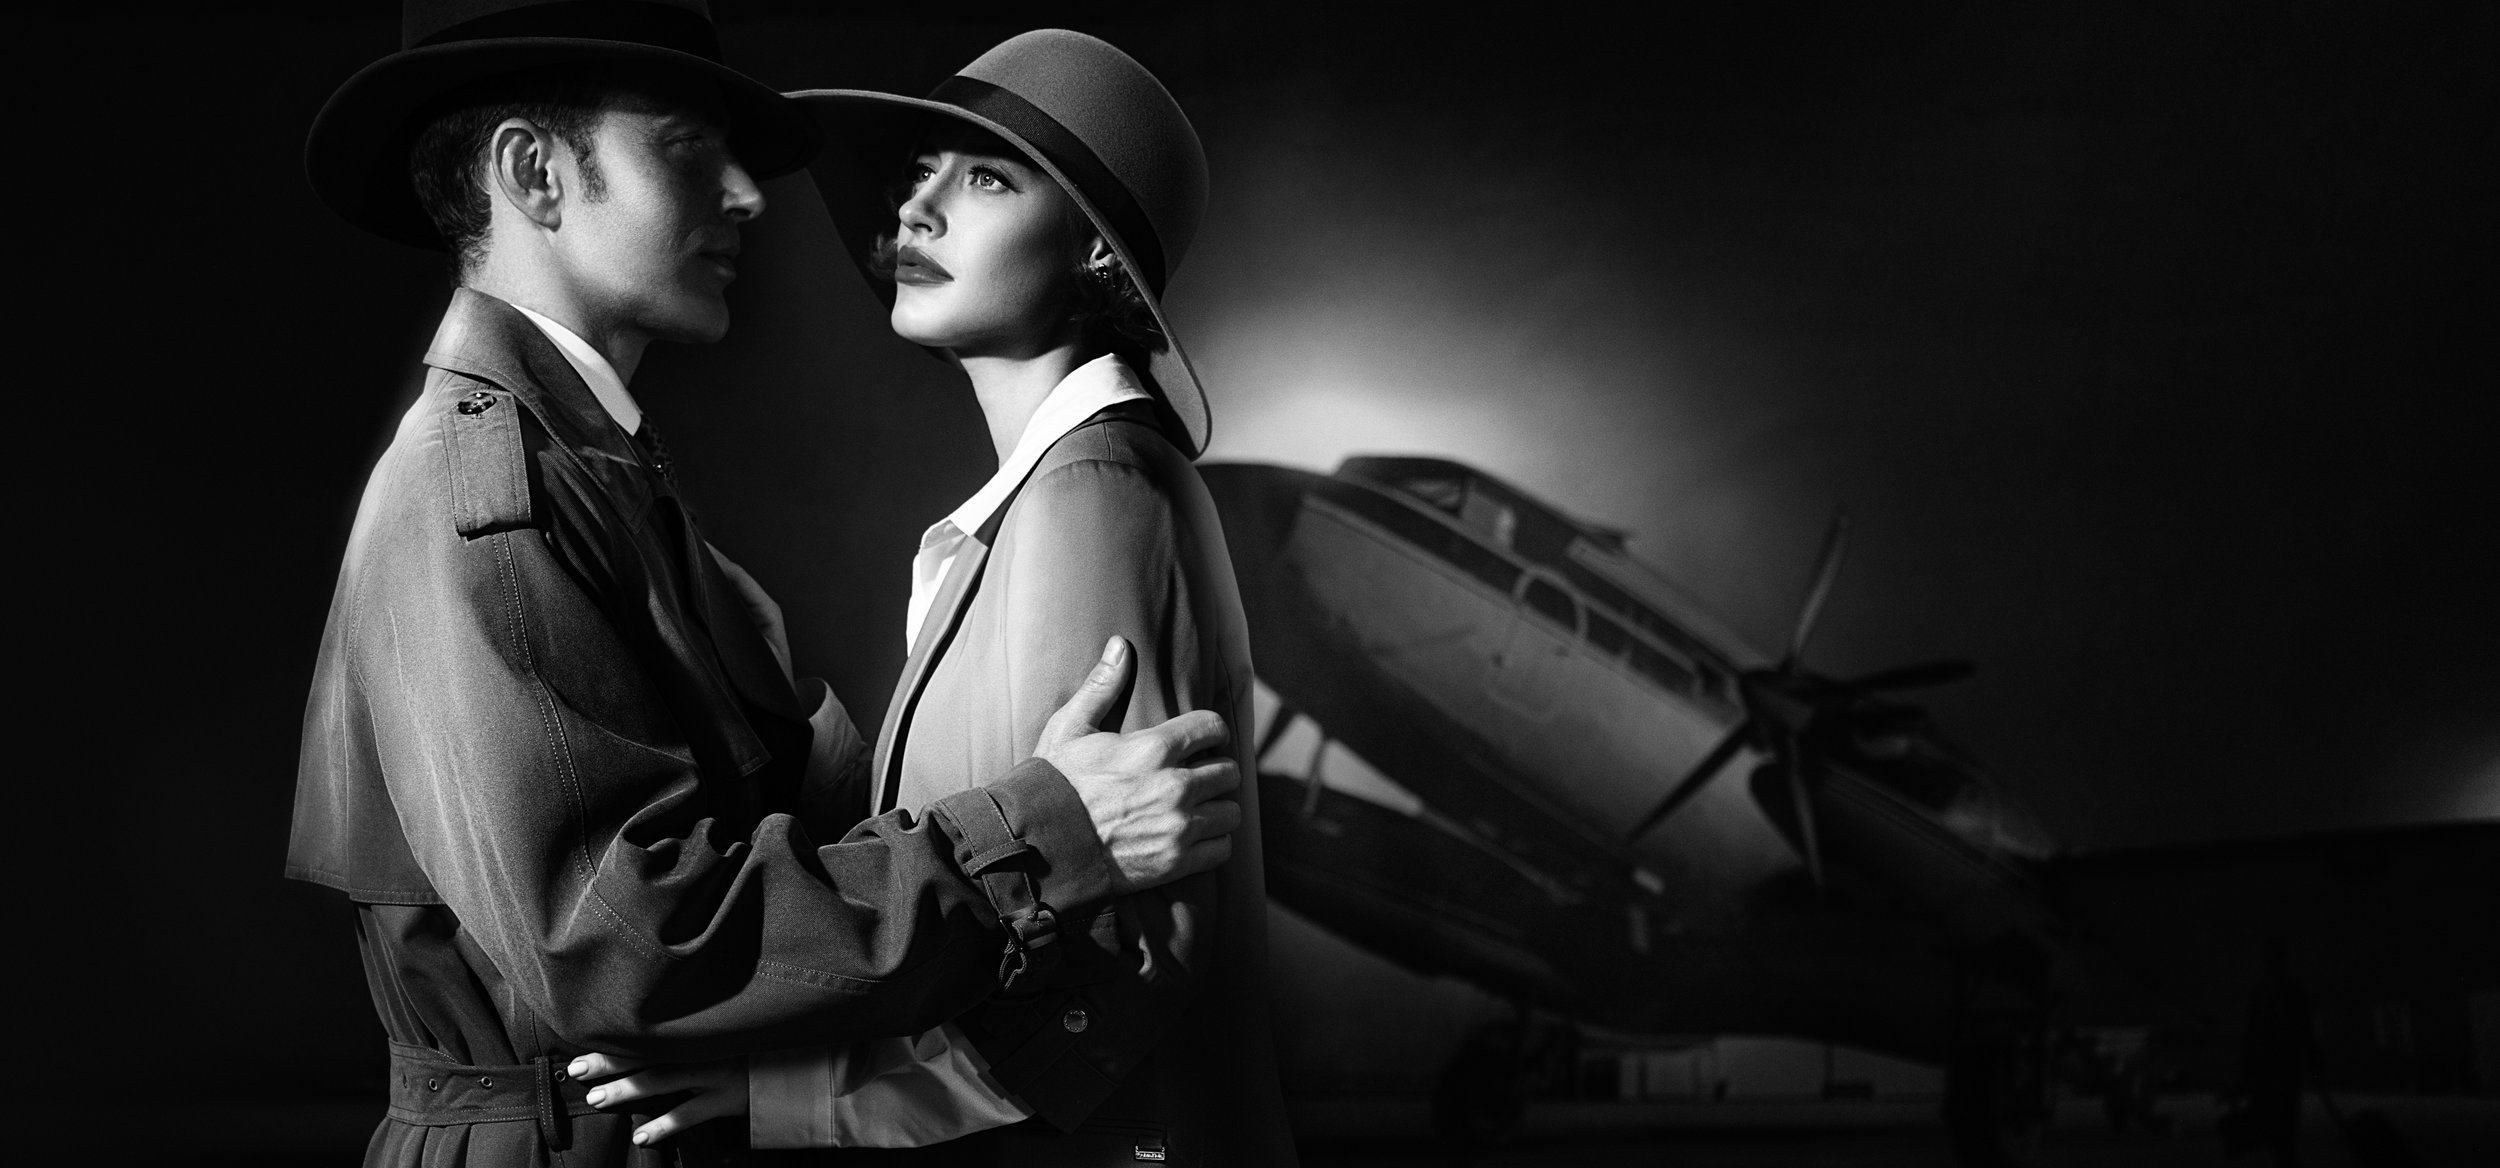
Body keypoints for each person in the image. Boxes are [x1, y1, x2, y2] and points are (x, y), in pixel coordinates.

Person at [289, 5, 1243, 1165]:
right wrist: (1046, 829)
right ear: (535, 175)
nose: (747, 196)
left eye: (987, 178)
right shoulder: (482, 492)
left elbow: (839, 813)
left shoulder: (612, 482)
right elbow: (616, 943)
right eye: (688, 149)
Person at [568, 29, 1295, 1166]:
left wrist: (802, 1096)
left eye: (987, 179)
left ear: (1099, 258)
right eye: (921, 174)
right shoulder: (1037, 504)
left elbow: (1120, 947)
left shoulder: (1095, 490)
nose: (918, 209)